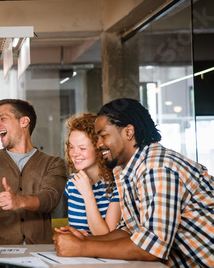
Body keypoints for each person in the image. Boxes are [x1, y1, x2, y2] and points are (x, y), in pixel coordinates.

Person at [54, 98, 214, 268]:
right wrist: (84, 239)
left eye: (103, 136)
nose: (99, 144)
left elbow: (151, 248)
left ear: (128, 132)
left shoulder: (157, 169)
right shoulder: (125, 170)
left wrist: (82, 247)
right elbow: (129, 231)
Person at [0, 99, 67, 245]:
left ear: (24, 122)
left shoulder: (53, 163)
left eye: (2, 118)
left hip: (39, 251)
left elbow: (50, 198)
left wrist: (19, 201)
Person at [63, 113, 120, 235]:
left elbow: (106, 236)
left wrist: (88, 194)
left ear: (99, 149)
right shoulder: (72, 183)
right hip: (79, 252)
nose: (74, 153)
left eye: (82, 148)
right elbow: (77, 228)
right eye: (71, 147)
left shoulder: (116, 184)